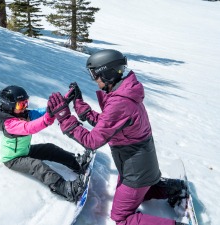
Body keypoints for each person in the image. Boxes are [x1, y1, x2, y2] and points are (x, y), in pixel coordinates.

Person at [47, 49, 188, 225]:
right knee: (141, 192)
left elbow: (92, 141)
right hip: (141, 166)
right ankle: (171, 189)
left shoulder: (120, 102)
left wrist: (65, 119)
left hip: (136, 171)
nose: (94, 79)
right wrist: (81, 107)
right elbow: (108, 124)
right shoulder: (125, 93)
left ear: (107, 73)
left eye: (94, 74)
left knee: (122, 218)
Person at [0, 85, 90, 202]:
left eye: (26, 103)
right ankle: (66, 189)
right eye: (21, 104)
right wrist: (46, 120)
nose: (25, 107)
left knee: (49, 148)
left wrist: (60, 104)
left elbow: (41, 112)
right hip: (13, 160)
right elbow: (28, 128)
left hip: (25, 151)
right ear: (9, 106)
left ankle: (77, 163)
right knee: (37, 166)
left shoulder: (23, 114)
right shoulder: (9, 124)